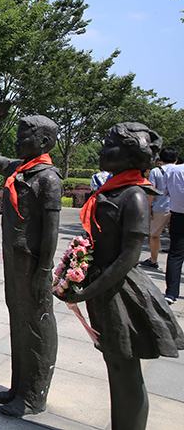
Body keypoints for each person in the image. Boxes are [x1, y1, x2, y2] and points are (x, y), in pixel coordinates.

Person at [66, 123, 184, 430]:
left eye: (109, 145)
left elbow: (130, 256)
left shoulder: (133, 195)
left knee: (125, 370)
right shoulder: (112, 190)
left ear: (131, 154)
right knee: (114, 363)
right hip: (103, 288)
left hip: (122, 292)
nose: (102, 150)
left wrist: (85, 291)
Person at [0, 101, 61, 418]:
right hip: (15, 260)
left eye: (25, 137)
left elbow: (52, 232)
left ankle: (35, 395)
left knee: (36, 324)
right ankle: (19, 386)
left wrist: (44, 270)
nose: (17, 141)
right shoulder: (17, 169)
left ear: (45, 143)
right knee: (18, 320)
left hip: (34, 263)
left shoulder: (47, 179)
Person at [141, 147, 179, 269]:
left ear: (161, 159)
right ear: (176, 159)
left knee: (154, 235)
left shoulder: (156, 172)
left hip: (160, 207)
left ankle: (153, 260)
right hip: (178, 208)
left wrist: (149, 207)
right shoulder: (180, 171)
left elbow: (151, 191)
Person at [163, 151, 184, 304]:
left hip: (178, 216)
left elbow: (165, 192)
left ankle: (171, 293)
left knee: (176, 254)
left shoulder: (174, 171)